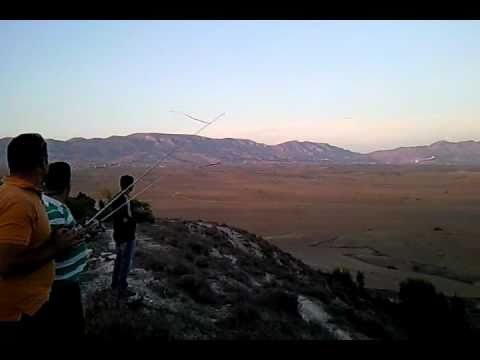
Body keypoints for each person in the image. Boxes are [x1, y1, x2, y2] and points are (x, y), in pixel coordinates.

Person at [0, 134, 80, 339]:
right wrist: (56, 247)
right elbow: (6, 265)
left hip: (25, 307)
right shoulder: (19, 201)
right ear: (42, 164)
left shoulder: (16, 194)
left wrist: (51, 240)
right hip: (18, 313)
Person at [42, 161, 89, 336]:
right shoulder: (55, 211)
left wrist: (77, 233)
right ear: (68, 186)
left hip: (57, 285)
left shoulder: (44, 203)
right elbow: (60, 246)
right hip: (62, 288)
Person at [111, 175, 137, 297]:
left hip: (127, 235)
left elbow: (128, 217)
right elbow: (120, 220)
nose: (133, 186)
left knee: (121, 261)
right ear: (129, 185)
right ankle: (121, 288)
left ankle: (116, 285)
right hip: (124, 237)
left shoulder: (126, 198)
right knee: (124, 263)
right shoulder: (119, 200)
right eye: (132, 184)